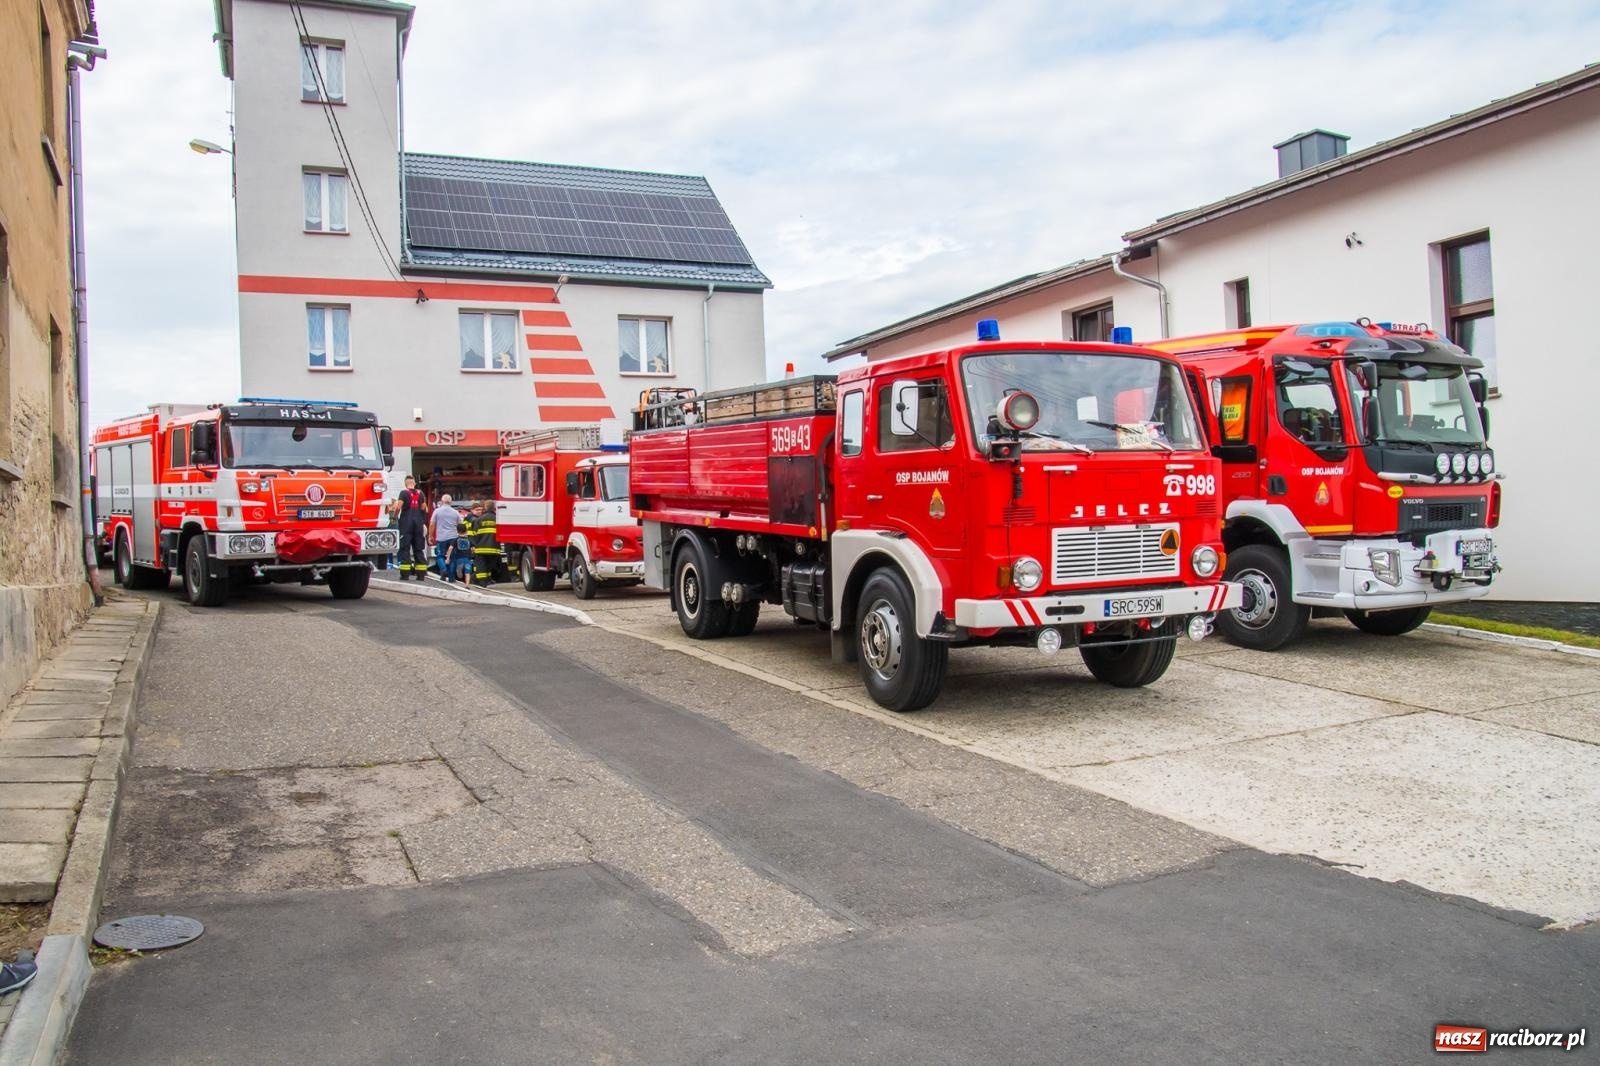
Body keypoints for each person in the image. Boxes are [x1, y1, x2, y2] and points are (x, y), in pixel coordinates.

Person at [390, 474, 428, 580]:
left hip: (406, 523)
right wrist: (421, 518)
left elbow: (398, 506)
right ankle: (421, 575)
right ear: (414, 483)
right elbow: (424, 507)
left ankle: (405, 574)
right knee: (419, 549)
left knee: (405, 549)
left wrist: (395, 516)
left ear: (405, 483)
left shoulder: (403, 493)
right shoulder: (421, 494)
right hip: (418, 524)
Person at [462, 500, 502, 586]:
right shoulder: (498, 519)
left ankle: (482, 582)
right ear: (494, 508)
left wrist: (474, 545)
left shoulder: (479, 519)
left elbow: (474, 533)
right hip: (495, 548)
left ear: (485, 508)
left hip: (481, 548)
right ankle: (486, 580)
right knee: (489, 565)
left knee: (481, 565)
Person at [428, 494, 461, 581]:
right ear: (451, 502)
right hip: (453, 538)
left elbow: (432, 524)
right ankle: (451, 577)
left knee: (440, 556)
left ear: (442, 502)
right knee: (452, 557)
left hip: (441, 538)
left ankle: (443, 569)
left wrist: (430, 536)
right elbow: (461, 526)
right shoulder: (456, 512)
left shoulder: (437, 511)